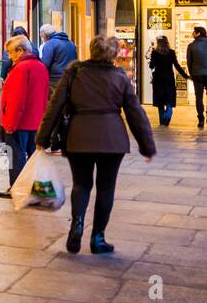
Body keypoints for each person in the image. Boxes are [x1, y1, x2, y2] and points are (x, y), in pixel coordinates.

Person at [38, 35, 155, 254]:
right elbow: (135, 113)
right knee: (106, 188)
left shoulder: (74, 72)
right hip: (112, 140)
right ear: (113, 54)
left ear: (91, 50)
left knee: (81, 185)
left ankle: (77, 224)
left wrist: (42, 138)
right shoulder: (120, 77)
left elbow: (54, 106)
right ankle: (98, 238)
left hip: (78, 137)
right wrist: (147, 146)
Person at [0, 34, 49, 198]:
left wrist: (10, 124)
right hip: (35, 121)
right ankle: (34, 189)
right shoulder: (40, 66)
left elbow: (16, 100)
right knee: (33, 157)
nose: (10, 57)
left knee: (15, 157)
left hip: (19, 122)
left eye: (11, 53)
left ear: (20, 50)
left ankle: (17, 189)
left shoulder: (21, 69)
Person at [148, 35, 189, 127]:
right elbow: (177, 65)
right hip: (169, 79)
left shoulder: (155, 53)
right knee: (169, 99)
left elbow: (151, 66)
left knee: (160, 101)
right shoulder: (171, 52)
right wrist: (185, 76)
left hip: (158, 79)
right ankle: (168, 115)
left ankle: (162, 121)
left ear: (158, 43)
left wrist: (153, 58)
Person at [39, 24, 78, 90]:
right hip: (71, 80)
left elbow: (44, 64)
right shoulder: (71, 43)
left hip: (55, 81)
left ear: (44, 36)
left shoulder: (50, 44)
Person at [186, 25, 207, 129]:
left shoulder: (191, 46)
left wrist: (191, 73)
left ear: (198, 33)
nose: (192, 34)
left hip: (197, 74)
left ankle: (201, 119)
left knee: (198, 97)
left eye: (194, 32)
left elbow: (189, 62)